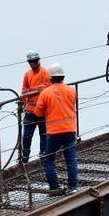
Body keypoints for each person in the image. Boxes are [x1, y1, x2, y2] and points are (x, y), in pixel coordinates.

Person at [33, 63, 78, 194]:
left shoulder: (46, 93)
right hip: (70, 129)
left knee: (48, 159)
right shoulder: (71, 90)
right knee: (70, 158)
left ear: (49, 78)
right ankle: (73, 187)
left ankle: (54, 187)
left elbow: (38, 113)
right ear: (62, 76)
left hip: (54, 132)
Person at [20, 50, 51, 163]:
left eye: (34, 61)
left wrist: (31, 91)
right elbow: (24, 91)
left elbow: (46, 89)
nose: (32, 63)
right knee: (27, 136)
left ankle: (43, 156)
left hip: (42, 110)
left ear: (38, 61)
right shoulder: (27, 75)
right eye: (30, 61)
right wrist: (34, 91)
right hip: (30, 111)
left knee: (44, 134)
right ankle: (25, 157)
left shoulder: (45, 73)